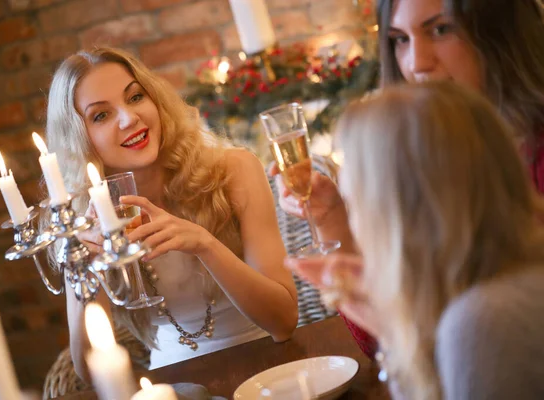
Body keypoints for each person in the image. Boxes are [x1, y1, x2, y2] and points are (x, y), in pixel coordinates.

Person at [270, 0, 544, 358]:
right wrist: (331, 219)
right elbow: (382, 344)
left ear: (503, 31)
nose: (416, 63)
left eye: (441, 30)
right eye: (400, 39)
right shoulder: (428, 155)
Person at [44, 47, 298, 381]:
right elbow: (90, 373)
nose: (129, 118)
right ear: (79, 140)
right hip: (173, 382)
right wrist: (84, 270)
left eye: (135, 97)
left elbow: (283, 322)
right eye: (101, 115)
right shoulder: (83, 224)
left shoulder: (234, 170)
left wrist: (205, 245)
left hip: (270, 362)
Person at [292, 81, 544, 399]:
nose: (356, 223)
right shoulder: (500, 274)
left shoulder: (481, 321)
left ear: (400, 212)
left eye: (354, 202)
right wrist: (392, 331)